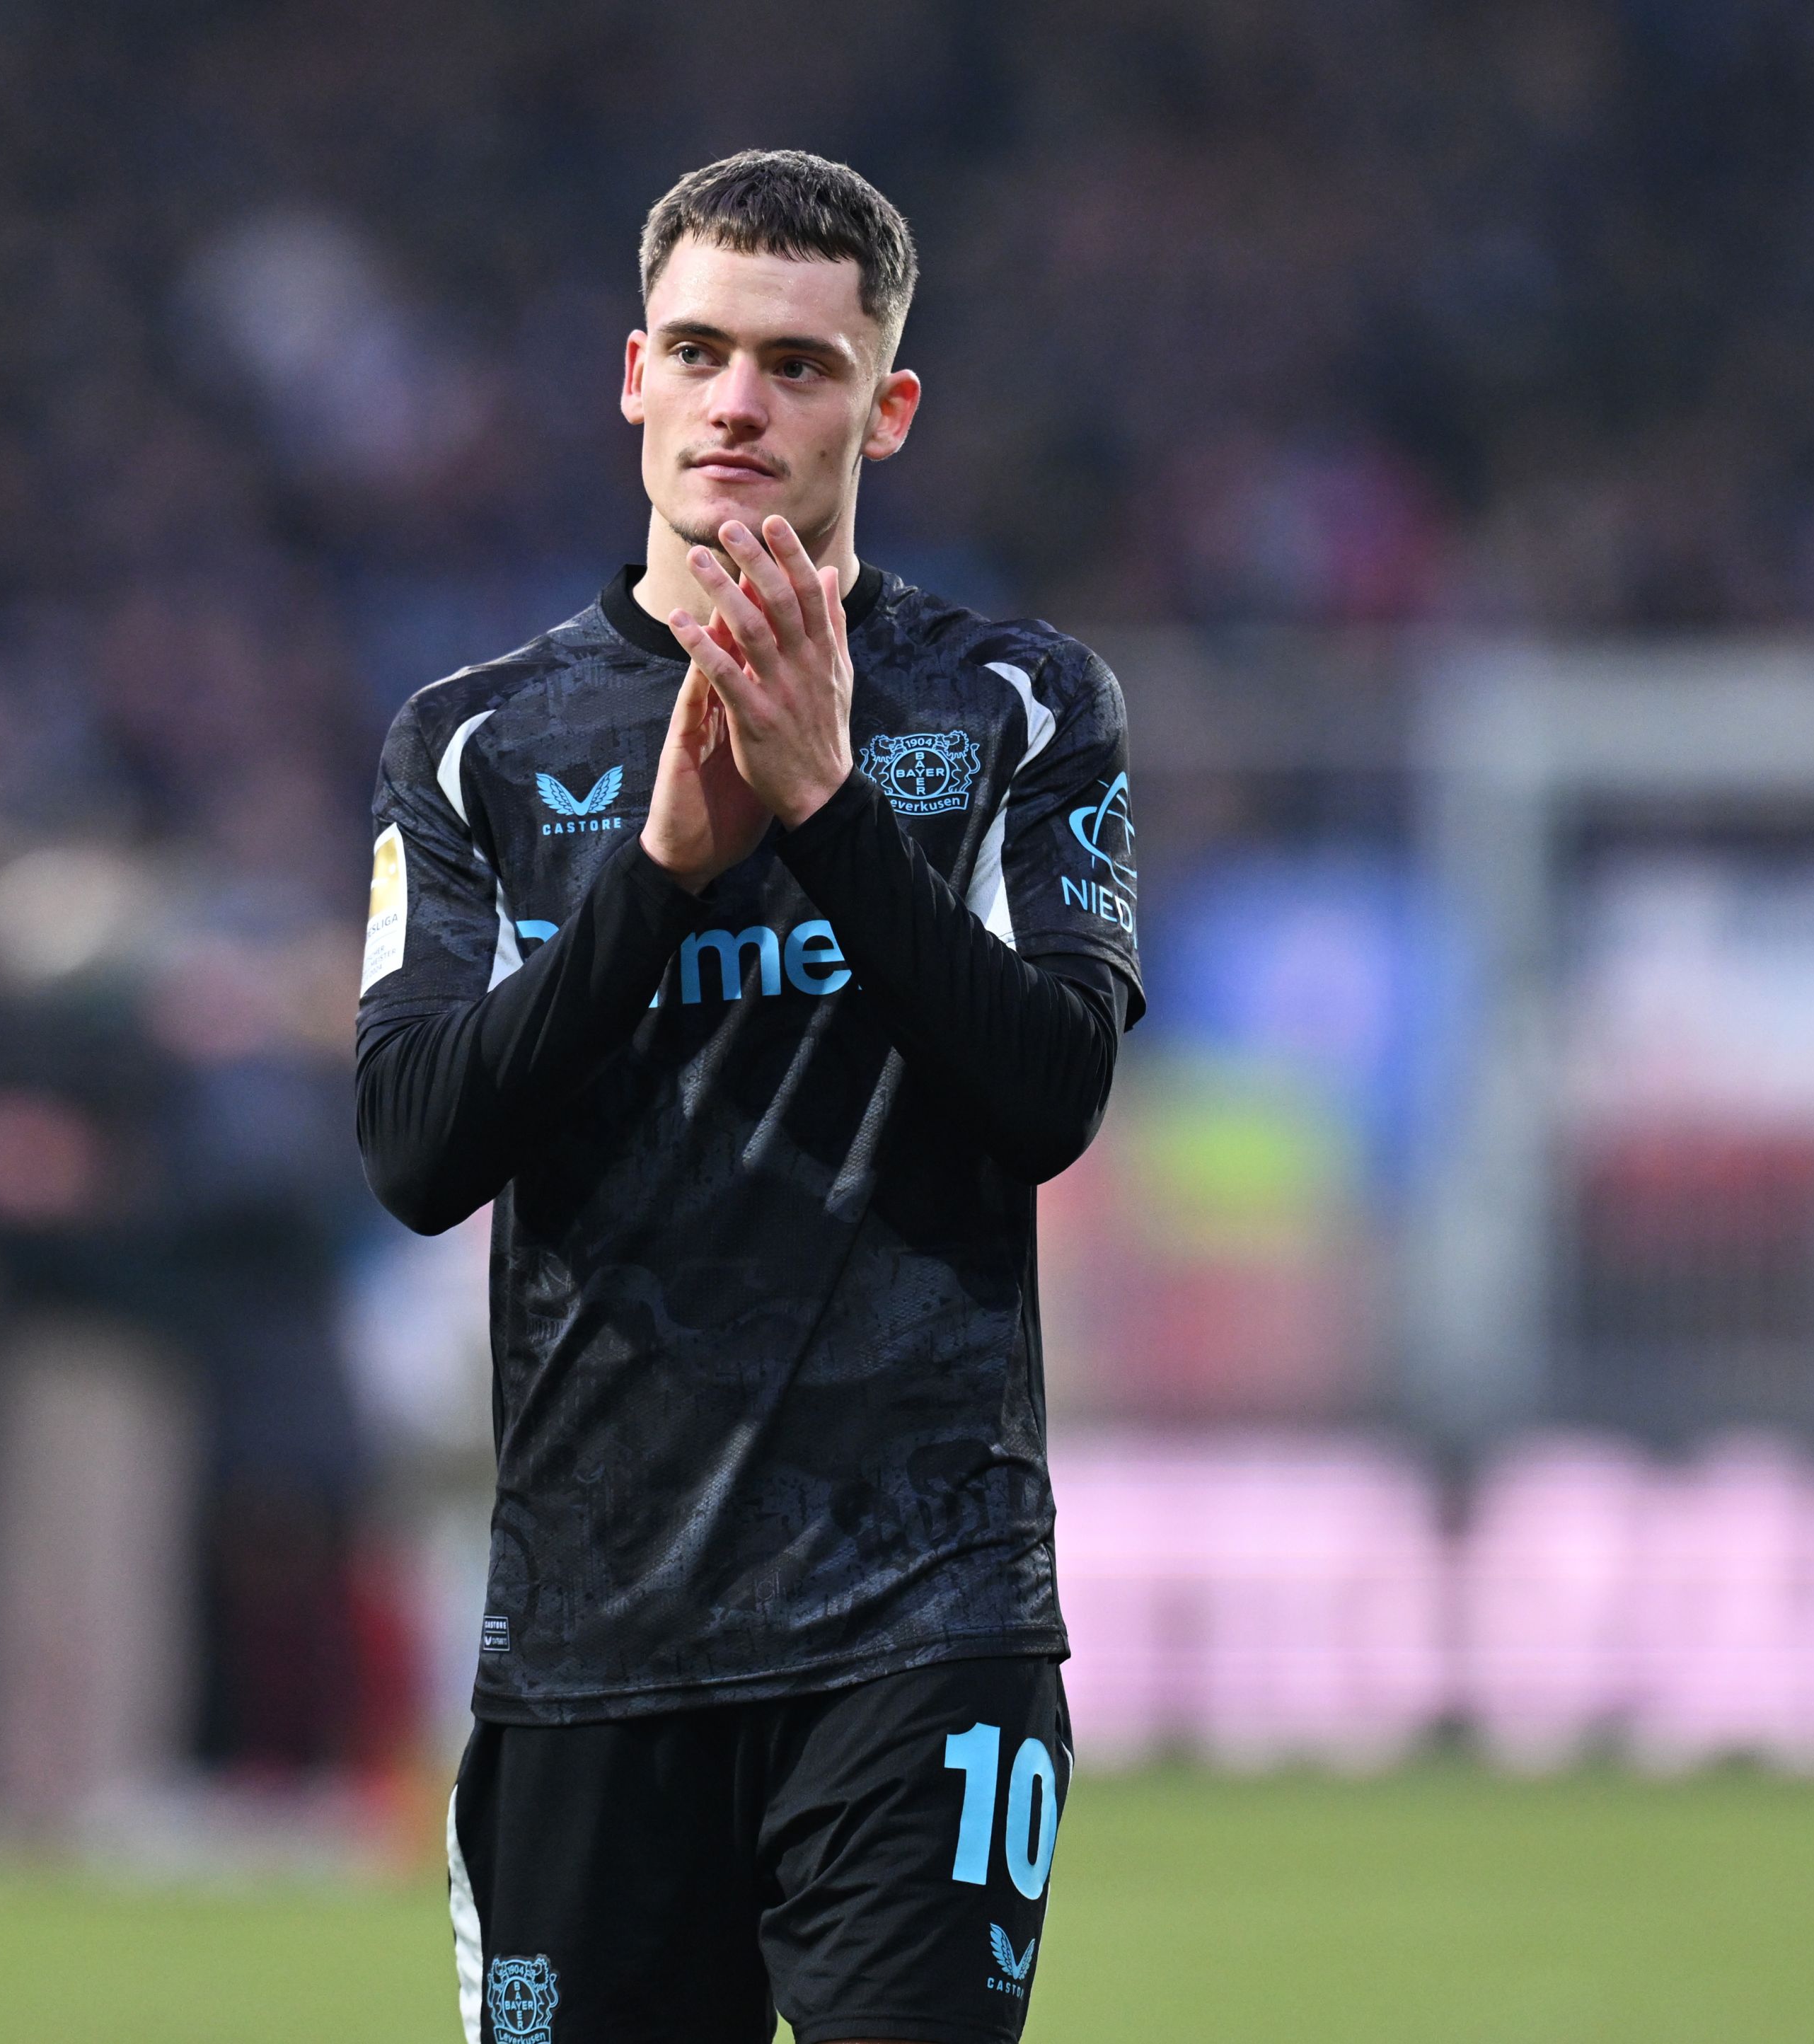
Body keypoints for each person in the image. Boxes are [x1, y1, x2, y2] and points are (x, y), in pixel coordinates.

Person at [354, 151, 1142, 2044]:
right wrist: (657, 882)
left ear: (889, 403)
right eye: (700, 351)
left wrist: (827, 807)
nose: (739, 402)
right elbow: (416, 1146)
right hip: (594, 1638)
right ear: (633, 374)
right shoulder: (475, 744)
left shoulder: (1018, 709)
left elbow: (1052, 1094)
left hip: (925, 1623)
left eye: (798, 363)